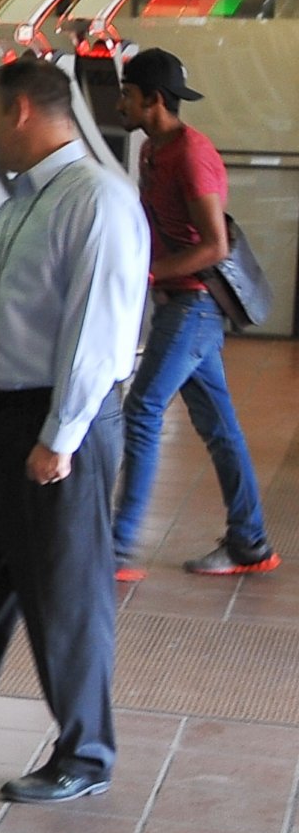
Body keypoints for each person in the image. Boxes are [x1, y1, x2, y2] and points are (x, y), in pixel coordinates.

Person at [0, 55, 150, 804]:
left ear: (22, 110)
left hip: (61, 423)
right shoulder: (21, 203)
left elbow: (98, 330)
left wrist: (58, 437)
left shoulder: (97, 201)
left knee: (65, 595)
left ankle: (84, 755)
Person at [110, 47, 275, 579]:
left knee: (141, 410)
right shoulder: (151, 150)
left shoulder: (191, 153)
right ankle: (249, 542)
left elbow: (215, 246)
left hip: (195, 304)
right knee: (219, 426)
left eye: (127, 95)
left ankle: (117, 549)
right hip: (176, 302)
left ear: (153, 100)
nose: (121, 103)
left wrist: (151, 274)